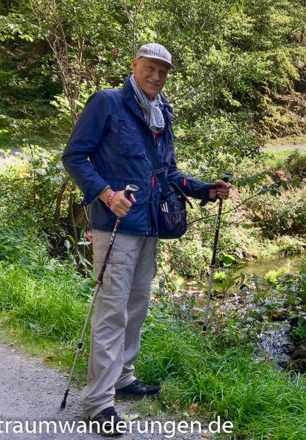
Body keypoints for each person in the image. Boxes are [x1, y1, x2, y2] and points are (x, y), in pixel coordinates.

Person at [62, 42, 231, 434]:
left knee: (136, 305)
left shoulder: (161, 112)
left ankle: (123, 377)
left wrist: (205, 189)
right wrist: (107, 194)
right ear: (135, 65)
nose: (156, 76)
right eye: (150, 68)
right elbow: (74, 156)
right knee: (112, 310)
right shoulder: (107, 103)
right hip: (116, 225)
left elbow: (167, 172)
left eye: (163, 71)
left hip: (150, 224)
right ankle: (98, 402)